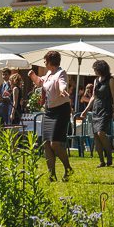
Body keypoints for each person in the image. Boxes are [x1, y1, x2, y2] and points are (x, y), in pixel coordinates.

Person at [30, 50, 74, 181]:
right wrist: (32, 75)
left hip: (61, 110)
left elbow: (63, 84)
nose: (44, 63)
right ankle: (52, 175)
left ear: (50, 62)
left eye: (45, 61)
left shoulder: (61, 73)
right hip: (49, 111)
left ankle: (68, 168)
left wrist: (63, 91)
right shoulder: (49, 73)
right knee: (46, 143)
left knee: (55, 143)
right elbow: (40, 83)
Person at [84, 60, 114, 167]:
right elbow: (93, 96)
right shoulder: (96, 80)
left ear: (101, 69)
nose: (94, 71)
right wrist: (86, 110)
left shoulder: (110, 80)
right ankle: (101, 161)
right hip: (96, 109)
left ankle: (109, 155)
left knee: (101, 133)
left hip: (106, 109)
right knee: (95, 135)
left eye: (95, 69)